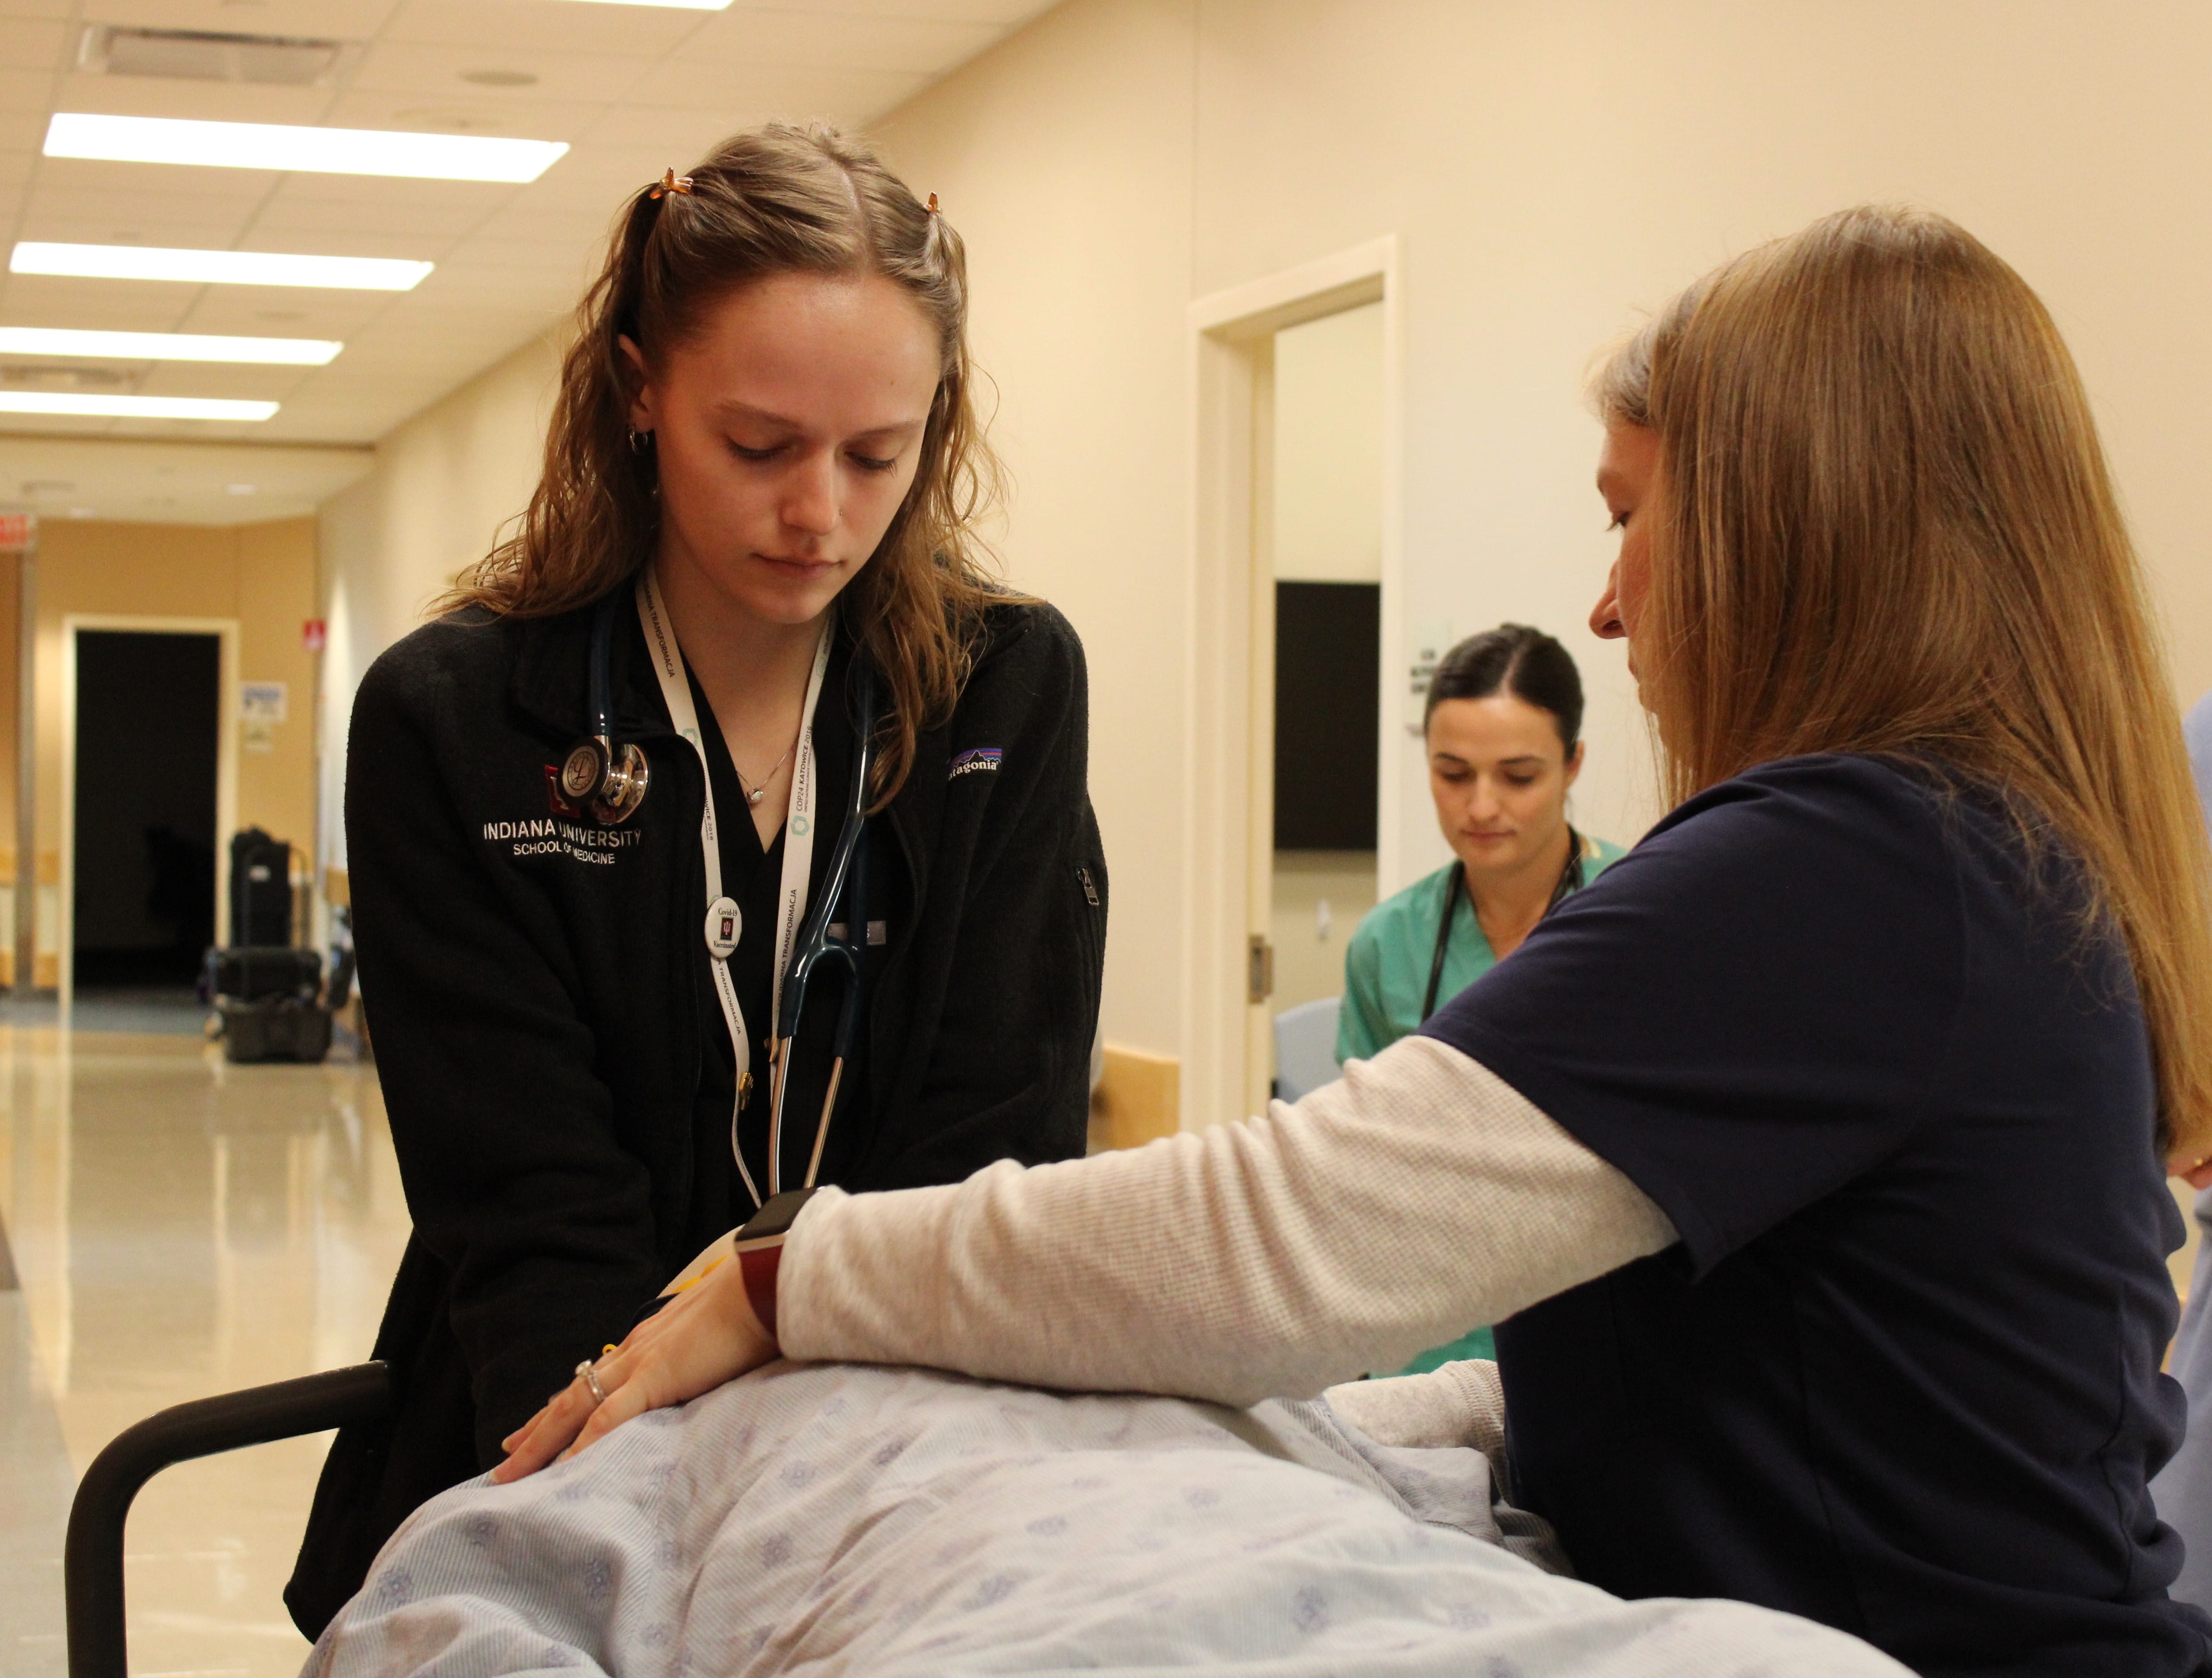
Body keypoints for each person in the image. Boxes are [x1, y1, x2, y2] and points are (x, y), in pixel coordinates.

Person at [501, 206, 2212, 1678]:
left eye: (1627, 513)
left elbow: (1274, 1246)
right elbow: (1721, 1402)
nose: (1604, 601)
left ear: (1790, 526)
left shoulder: (1851, 867)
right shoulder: (1979, 857)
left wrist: (792, 1271)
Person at [284, 123, 1108, 1634]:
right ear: (637, 387)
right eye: (759, 446)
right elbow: (535, 1213)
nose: (821, 514)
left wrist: (838, 1497)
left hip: (902, 1461)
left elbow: (992, 1155)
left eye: (879, 453)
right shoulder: (453, 722)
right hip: (566, 1445)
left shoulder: (1005, 690)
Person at [1339, 623, 1623, 1370]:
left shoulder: (1640, 919)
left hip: (1601, 1331)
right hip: (1422, 1341)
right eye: (1453, 773)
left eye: (1519, 775)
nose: (1481, 806)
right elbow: (1362, 1172)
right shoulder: (1387, 944)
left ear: (1572, 764)